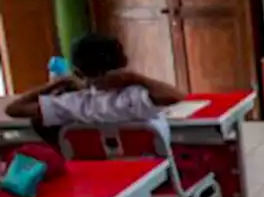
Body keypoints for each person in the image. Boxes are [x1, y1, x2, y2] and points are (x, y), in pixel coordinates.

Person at [5, 32, 183, 143]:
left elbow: (13, 109)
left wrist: (59, 82)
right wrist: (135, 78)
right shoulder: (135, 97)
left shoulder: (73, 104)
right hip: (150, 174)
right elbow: (177, 96)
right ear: (123, 62)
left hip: (97, 178)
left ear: (77, 71)